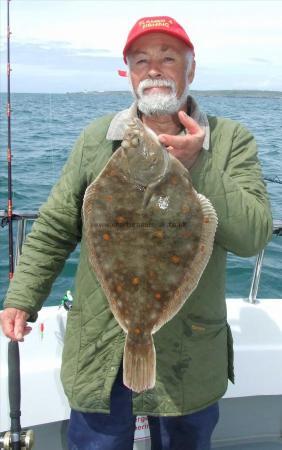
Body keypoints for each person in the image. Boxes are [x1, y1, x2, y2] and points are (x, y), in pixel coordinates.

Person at [1, 15, 272, 450]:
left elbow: (252, 236)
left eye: (168, 57)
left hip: (189, 355)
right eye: (141, 60)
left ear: (191, 69)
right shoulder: (96, 138)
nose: (154, 69)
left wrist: (198, 164)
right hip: (100, 352)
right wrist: (22, 297)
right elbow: (54, 226)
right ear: (128, 73)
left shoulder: (229, 141)